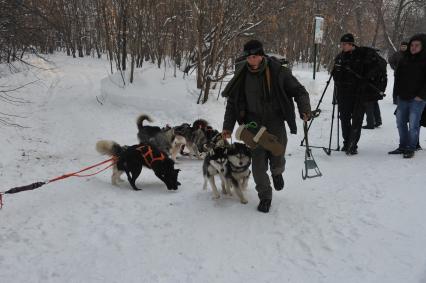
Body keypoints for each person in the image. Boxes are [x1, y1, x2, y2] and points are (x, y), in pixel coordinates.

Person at [221, 39, 311, 213]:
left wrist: (304, 109)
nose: (252, 61)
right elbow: (232, 103)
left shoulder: (279, 72)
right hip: (252, 125)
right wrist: (227, 127)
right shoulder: (241, 75)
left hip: (275, 121)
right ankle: (265, 196)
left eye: (255, 57)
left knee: (277, 153)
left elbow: (299, 91)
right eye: (249, 57)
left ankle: (277, 172)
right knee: (258, 166)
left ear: (261, 56)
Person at [333, 33, 383, 155]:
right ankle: (346, 142)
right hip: (343, 93)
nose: (343, 46)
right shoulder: (340, 57)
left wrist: (366, 79)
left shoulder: (362, 55)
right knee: (344, 118)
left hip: (359, 93)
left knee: (357, 119)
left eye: (345, 44)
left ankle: (352, 144)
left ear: (352, 44)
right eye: (342, 44)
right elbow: (335, 75)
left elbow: (376, 68)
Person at [388, 34, 426, 158]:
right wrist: (397, 94)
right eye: (412, 45)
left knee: (414, 124)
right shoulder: (404, 59)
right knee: (400, 122)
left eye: (417, 45)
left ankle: (411, 147)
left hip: (417, 99)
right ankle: (402, 146)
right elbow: (398, 77)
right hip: (403, 97)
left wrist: (421, 96)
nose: (413, 47)